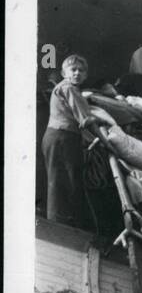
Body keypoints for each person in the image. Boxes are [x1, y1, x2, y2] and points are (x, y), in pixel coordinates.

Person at [41, 54, 105, 224]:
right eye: (73, 69)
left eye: (81, 70)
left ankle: (57, 223)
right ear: (64, 73)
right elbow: (87, 121)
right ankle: (63, 227)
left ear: (86, 75)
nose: (77, 73)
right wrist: (107, 144)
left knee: (58, 182)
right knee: (67, 183)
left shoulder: (67, 88)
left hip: (57, 137)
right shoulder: (69, 89)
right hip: (62, 138)